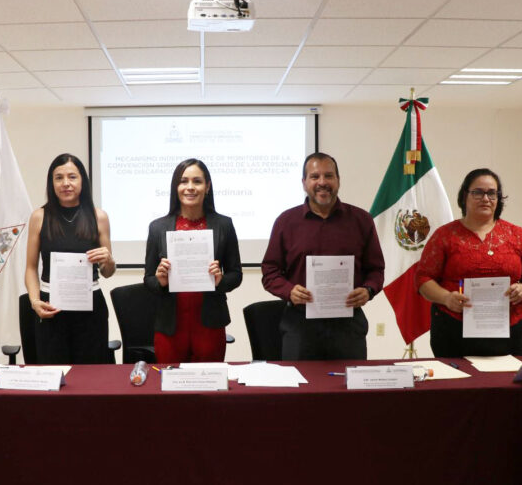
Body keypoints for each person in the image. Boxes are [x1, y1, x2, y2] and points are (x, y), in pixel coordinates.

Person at [261, 152, 385, 360]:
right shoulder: (286, 222)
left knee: (349, 381)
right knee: (299, 381)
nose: (322, 182)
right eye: (314, 176)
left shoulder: (361, 220)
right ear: (304, 183)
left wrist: (368, 290)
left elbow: (376, 269)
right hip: (300, 326)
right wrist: (289, 290)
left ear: (338, 180)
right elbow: (270, 271)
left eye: (328, 176)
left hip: (348, 327)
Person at [416, 168, 522, 357]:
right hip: (453, 329)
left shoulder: (517, 234)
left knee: (507, 376)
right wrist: (446, 298)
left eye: (492, 193)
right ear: (464, 196)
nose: (485, 199)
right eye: (478, 192)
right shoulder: (445, 235)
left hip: (509, 331)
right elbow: (423, 279)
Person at [144, 158, 242, 363]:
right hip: (170, 327)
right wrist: (160, 281)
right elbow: (148, 280)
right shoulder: (157, 227)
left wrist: (220, 280)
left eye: (197, 181)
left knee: (209, 381)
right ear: (176, 187)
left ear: (207, 187)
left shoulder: (224, 224)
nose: (190, 187)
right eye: (183, 181)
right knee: (170, 381)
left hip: (209, 324)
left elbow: (236, 274)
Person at [25, 153, 116, 364]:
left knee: (91, 373)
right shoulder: (39, 216)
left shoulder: (99, 217)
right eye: (59, 178)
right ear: (52, 183)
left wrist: (109, 261)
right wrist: (35, 302)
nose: (66, 183)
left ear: (82, 180)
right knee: (53, 372)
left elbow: (107, 272)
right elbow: (30, 268)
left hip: (90, 306)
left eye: (72, 177)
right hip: (51, 307)